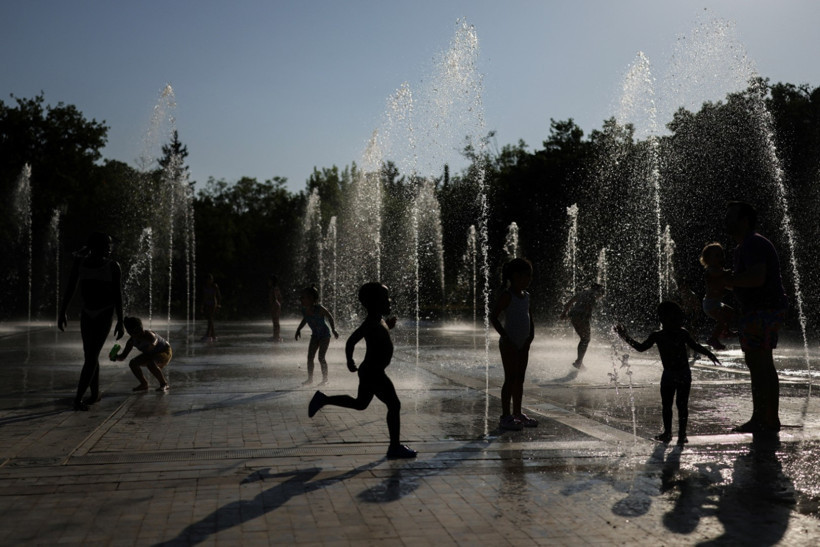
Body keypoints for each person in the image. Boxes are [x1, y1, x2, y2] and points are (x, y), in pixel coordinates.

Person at [307, 283, 416, 459]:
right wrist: (349, 360)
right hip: (374, 373)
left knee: (360, 403)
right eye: (385, 298)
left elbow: (378, 334)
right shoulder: (370, 323)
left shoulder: (379, 320)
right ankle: (394, 447)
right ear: (374, 303)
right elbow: (351, 341)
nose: (389, 301)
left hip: (370, 371)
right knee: (394, 405)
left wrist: (388, 326)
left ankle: (323, 399)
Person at [615, 301, 720, 445]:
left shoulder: (666, 334)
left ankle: (671, 433)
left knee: (671, 405)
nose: (677, 320)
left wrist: (624, 336)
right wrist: (710, 354)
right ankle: (678, 434)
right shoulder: (675, 333)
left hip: (673, 374)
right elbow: (695, 346)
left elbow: (641, 348)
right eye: (676, 317)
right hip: (679, 374)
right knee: (677, 405)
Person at [724, 201, 788, 433]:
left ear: (744, 221)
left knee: (761, 363)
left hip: (764, 310)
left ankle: (767, 419)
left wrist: (726, 280)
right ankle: (761, 417)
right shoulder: (744, 246)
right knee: (757, 362)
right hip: (758, 310)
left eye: (731, 216)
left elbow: (756, 278)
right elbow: (747, 280)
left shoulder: (753, 243)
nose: (726, 220)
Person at [58, 232, 124, 411]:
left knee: (92, 355)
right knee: (90, 355)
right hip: (87, 313)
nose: (110, 248)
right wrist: (62, 312)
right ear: (96, 247)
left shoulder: (113, 266)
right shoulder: (81, 263)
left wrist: (120, 320)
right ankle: (94, 394)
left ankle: (78, 398)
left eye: (110, 245)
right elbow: (71, 287)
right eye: (106, 245)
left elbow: (118, 295)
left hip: (104, 314)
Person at [490, 258, 536, 431]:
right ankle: (505, 416)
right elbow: (494, 317)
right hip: (509, 343)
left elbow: (529, 316)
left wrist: (531, 335)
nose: (529, 279)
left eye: (530, 276)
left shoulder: (526, 296)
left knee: (520, 378)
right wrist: (505, 337)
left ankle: (517, 413)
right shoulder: (507, 295)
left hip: (523, 343)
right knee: (510, 378)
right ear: (515, 276)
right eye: (526, 276)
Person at [111, 316, 172, 392]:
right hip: (151, 355)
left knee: (151, 363)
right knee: (133, 363)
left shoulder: (148, 334)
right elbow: (123, 357)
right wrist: (115, 357)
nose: (140, 333)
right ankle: (144, 384)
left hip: (164, 351)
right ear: (130, 333)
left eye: (140, 330)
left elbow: (155, 340)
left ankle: (164, 384)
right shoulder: (131, 341)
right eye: (135, 332)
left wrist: (152, 345)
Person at [295, 285, 339, 385]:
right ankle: (310, 379)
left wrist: (333, 329)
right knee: (310, 357)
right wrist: (298, 329)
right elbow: (305, 319)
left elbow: (330, 317)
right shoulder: (304, 310)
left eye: (303, 297)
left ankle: (325, 379)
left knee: (321, 357)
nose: (300, 299)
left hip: (325, 335)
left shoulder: (319, 309)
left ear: (311, 299)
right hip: (315, 335)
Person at [699, 242, 736, 350]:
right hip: (710, 304)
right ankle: (713, 339)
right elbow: (720, 274)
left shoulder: (718, 270)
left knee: (730, 312)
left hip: (716, 303)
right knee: (722, 320)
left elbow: (725, 284)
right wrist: (730, 272)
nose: (720, 257)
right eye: (716, 255)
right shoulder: (711, 270)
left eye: (721, 254)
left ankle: (726, 331)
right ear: (708, 259)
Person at [560, 283, 605, 370]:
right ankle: (579, 362)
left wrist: (564, 313)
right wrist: (587, 317)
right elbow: (588, 307)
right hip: (582, 317)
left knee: (583, 339)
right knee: (585, 339)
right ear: (599, 291)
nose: (600, 297)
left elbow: (570, 302)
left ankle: (579, 361)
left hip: (574, 316)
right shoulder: (593, 295)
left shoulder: (583, 293)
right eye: (601, 294)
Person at [200, 273, 221, 342]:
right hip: (207, 304)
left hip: (213, 304)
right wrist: (202, 306)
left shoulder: (215, 286)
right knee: (210, 319)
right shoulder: (204, 287)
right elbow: (204, 297)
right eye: (208, 279)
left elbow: (218, 296)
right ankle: (213, 335)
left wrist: (219, 305)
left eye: (211, 279)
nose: (209, 281)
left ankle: (207, 335)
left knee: (210, 318)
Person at [268, 274, 283, 342]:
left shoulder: (274, 289)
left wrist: (276, 306)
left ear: (272, 281)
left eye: (269, 281)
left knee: (275, 322)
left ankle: (276, 337)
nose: (268, 282)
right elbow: (280, 298)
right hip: (276, 306)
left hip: (275, 307)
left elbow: (275, 298)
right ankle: (276, 335)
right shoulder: (276, 288)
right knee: (276, 322)